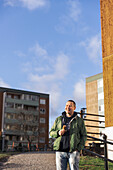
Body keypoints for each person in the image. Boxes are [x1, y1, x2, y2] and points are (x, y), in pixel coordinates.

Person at [50, 100, 87, 170]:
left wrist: (78, 148)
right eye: (66, 105)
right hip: (60, 151)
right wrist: (58, 133)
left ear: (74, 108)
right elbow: (51, 132)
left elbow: (84, 135)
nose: (68, 107)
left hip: (73, 151)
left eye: (70, 106)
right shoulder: (59, 120)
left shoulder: (79, 121)